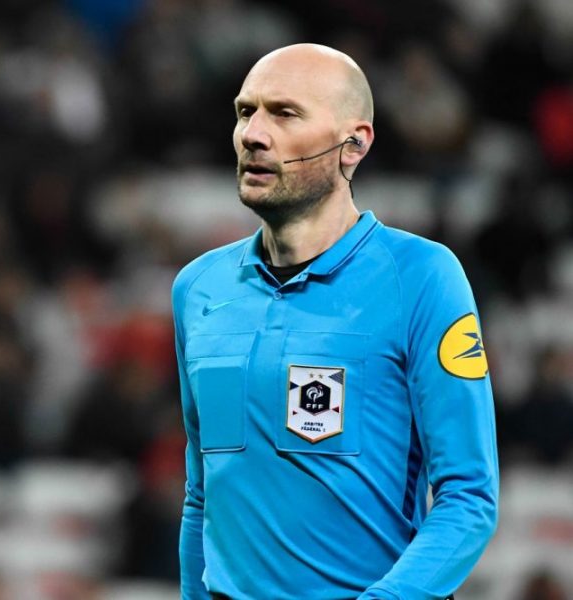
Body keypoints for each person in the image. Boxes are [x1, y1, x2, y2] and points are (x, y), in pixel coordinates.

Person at [172, 44, 498, 600]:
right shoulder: (198, 289)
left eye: (285, 113)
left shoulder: (422, 277)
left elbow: (469, 499)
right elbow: (203, 496)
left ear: (354, 144)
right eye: (245, 111)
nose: (253, 133)